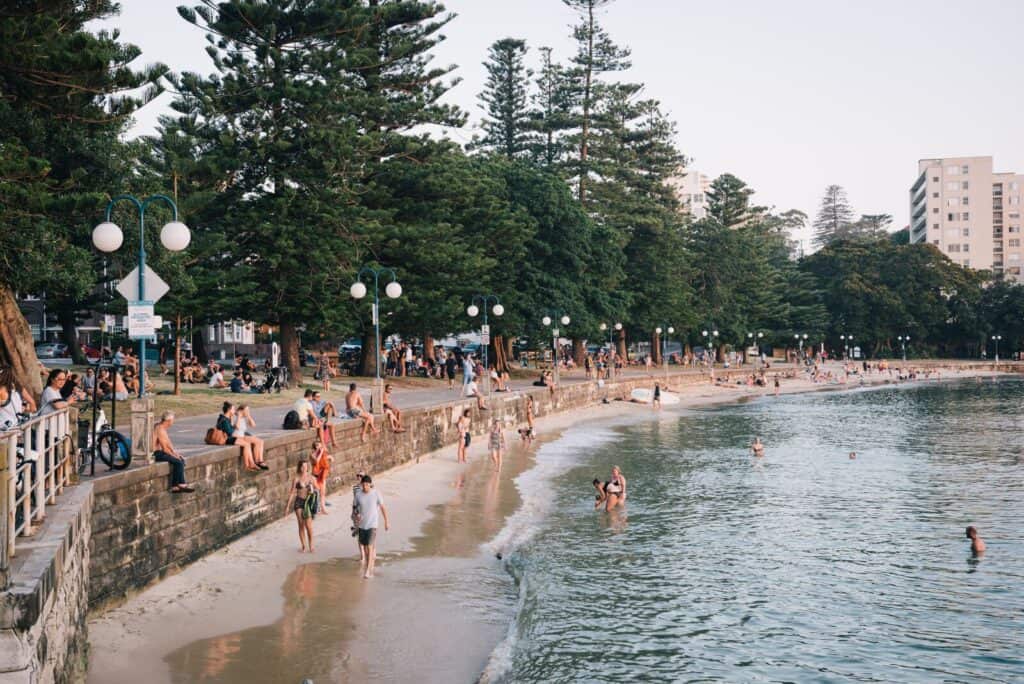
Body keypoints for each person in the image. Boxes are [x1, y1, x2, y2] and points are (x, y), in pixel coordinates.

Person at [354, 474, 389, 578]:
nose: (365, 487)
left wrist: (386, 521)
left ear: (370, 485)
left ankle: (368, 571)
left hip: (373, 524)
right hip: (362, 525)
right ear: (361, 485)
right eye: (363, 485)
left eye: (367, 485)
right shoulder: (358, 494)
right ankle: (370, 566)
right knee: (365, 547)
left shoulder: (376, 494)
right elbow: (355, 507)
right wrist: (357, 514)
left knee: (369, 546)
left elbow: (383, 508)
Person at [217, 402, 268, 471]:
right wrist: (238, 416)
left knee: (259, 442)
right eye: (246, 410)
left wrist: (249, 416)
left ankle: (257, 462)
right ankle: (250, 464)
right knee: (248, 444)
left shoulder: (239, 417)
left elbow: (253, 425)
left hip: (239, 435)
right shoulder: (232, 417)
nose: (234, 410)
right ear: (241, 410)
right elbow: (233, 430)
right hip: (233, 437)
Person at [152, 411, 194, 493]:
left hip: (159, 451)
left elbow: (168, 443)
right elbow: (165, 448)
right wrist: (174, 456)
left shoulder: (162, 427)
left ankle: (176, 486)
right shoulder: (159, 428)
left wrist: (176, 454)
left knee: (181, 460)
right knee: (178, 462)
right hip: (155, 453)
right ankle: (179, 485)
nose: (173, 422)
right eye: (172, 420)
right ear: (168, 421)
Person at [284, 460, 316, 552]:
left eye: (305, 466)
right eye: (302, 466)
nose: (304, 468)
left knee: (309, 526)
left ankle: (311, 545)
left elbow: (317, 489)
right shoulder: (296, 479)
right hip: (299, 502)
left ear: (307, 467)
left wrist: (312, 489)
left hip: (308, 502)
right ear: (299, 468)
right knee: (301, 525)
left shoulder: (311, 478)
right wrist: (287, 506)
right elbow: (292, 493)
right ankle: (303, 546)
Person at [310, 437, 333, 514]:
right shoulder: (312, 454)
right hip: (315, 476)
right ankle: (316, 508)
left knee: (323, 493)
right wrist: (321, 452)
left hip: (322, 475)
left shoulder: (322, 453)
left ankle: (323, 508)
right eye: (316, 445)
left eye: (319, 445)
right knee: (316, 492)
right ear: (314, 446)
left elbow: (324, 459)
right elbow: (317, 461)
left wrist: (329, 457)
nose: (318, 446)